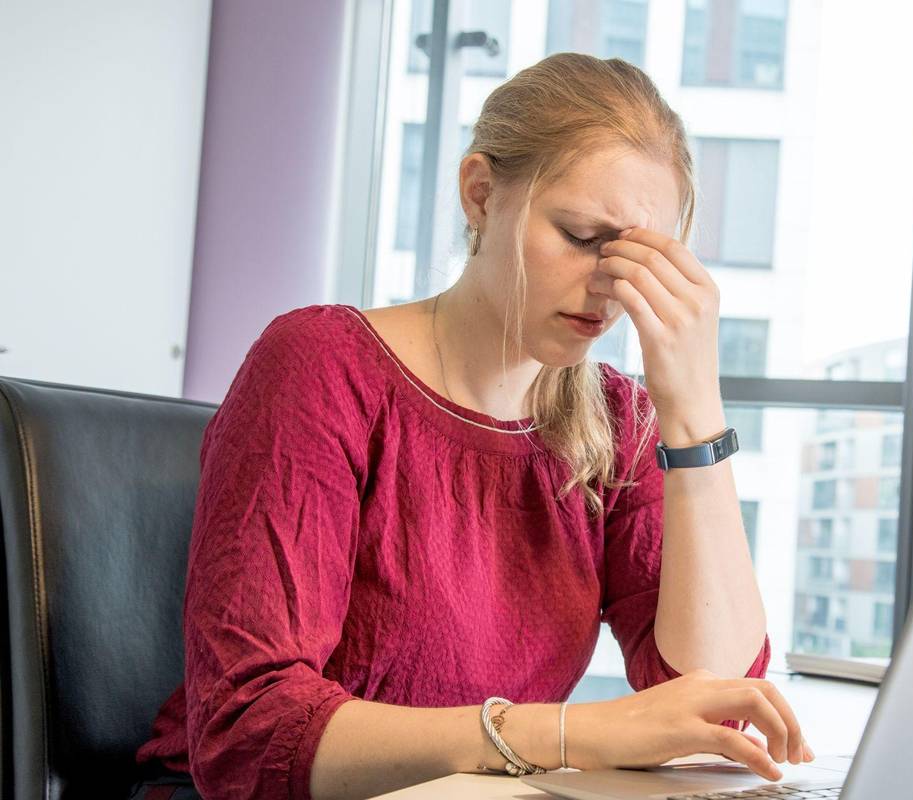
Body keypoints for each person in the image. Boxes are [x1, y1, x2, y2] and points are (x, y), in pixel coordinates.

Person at [130, 52, 813, 800]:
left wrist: (694, 414)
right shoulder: (320, 365)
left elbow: (714, 706)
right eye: (584, 237)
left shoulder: (619, 422)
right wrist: (564, 735)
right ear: (481, 194)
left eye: (640, 259)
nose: (610, 289)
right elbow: (248, 734)